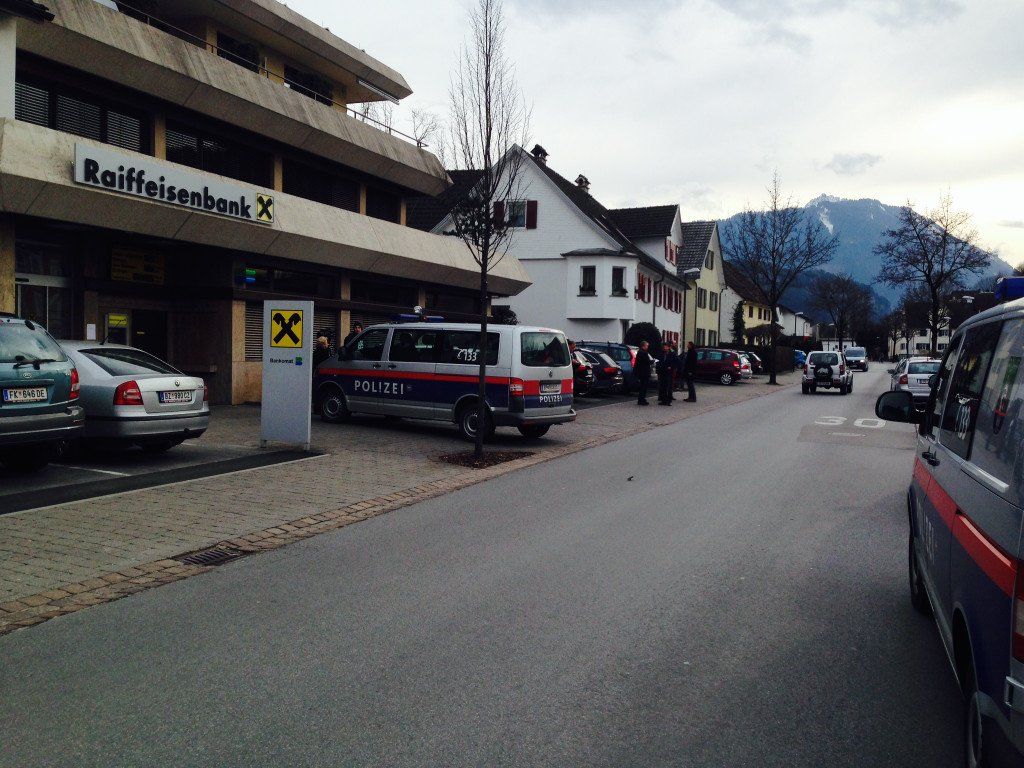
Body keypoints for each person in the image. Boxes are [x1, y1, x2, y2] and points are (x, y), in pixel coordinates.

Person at [633, 340, 652, 406]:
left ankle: (641, 399)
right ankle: (641, 400)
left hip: (642, 372)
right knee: (643, 387)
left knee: (643, 386)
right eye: (647, 345)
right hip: (644, 372)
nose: (647, 347)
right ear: (643, 346)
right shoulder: (643, 353)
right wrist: (653, 361)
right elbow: (646, 362)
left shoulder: (640, 352)